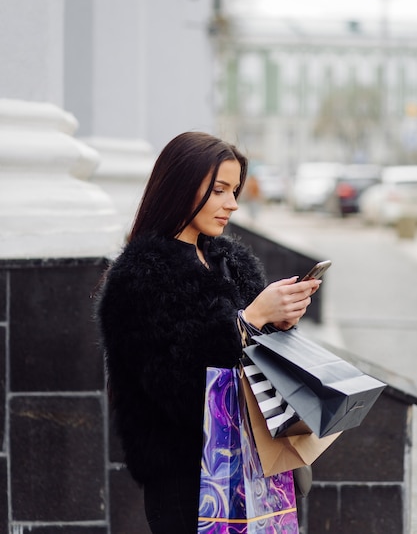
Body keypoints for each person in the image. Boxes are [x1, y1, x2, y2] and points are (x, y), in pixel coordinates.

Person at [96, 131, 321, 534]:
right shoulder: (140, 274)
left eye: (234, 191)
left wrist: (279, 321)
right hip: (187, 476)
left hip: (256, 463)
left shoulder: (230, 260)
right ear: (181, 186)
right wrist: (247, 320)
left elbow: (254, 356)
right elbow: (175, 388)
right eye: (219, 190)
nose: (232, 204)